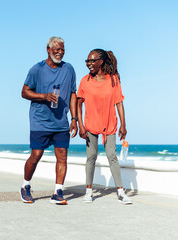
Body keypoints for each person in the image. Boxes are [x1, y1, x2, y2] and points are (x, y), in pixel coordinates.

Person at [20, 36, 78, 205]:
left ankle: (58, 191)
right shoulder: (37, 69)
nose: (59, 53)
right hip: (40, 120)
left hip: (61, 122)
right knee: (36, 155)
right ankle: (25, 186)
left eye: (62, 50)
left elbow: (73, 93)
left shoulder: (69, 69)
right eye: (56, 50)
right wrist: (44, 96)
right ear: (48, 50)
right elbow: (24, 92)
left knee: (62, 157)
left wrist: (74, 118)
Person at [77, 49, 132, 204]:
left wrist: (123, 124)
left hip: (110, 124)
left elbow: (119, 102)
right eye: (87, 61)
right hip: (90, 125)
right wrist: (80, 125)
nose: (89, 64)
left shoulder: (113, 80)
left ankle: (121, 192)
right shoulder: (85, 81)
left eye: (92, 61)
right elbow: (78, 104)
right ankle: (89, 192)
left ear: (101, 61)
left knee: (112, 156)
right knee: (91, 157)